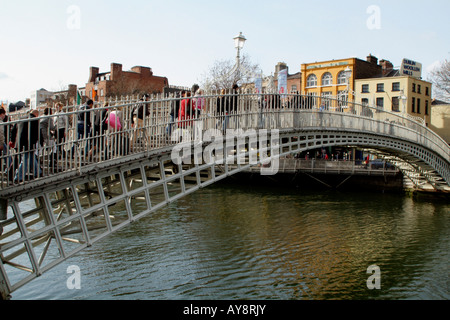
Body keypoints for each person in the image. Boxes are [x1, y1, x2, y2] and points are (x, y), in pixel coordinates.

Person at [13, 109, 42, 182]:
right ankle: (18, 177)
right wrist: (38, 142)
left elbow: (14, 129)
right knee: (25, 160)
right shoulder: (35, 120)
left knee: (31, 156)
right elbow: (37, 133)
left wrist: (13, 140)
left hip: (19, 142)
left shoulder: (22, 118)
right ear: (36, 114)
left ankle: (38, 172)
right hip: (28, 143)